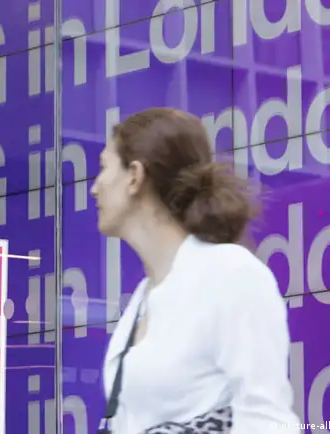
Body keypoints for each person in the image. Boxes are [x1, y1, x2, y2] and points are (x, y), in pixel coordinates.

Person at [91, 108, 299, 433]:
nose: (95, 187)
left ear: (134, 176)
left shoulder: (231, 274)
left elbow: (267, 420)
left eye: (104, 168)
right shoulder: (141, 301)